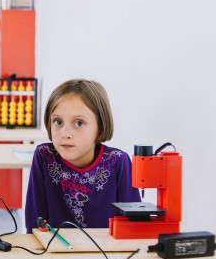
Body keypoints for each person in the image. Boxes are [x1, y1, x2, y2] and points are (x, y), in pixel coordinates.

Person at [24, 79, 140, 233]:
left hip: (108, 255)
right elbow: (34, 224)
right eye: (58, 122)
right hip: (55, 253)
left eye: (79, 123)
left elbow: (133, 227)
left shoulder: (118, 161)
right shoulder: (44, 156)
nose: (65, 134)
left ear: (99, 127)